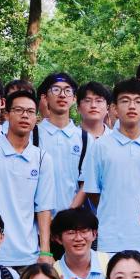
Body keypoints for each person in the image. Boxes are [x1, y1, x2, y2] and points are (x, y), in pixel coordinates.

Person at [81, 79, 140, 254]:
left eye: (138, 101)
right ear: (114, 109)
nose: (132, 106)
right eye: (125, 101)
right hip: (110, 238)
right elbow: (93, 192)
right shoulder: (99, 147)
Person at [0, 89, 56, 269]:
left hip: (29, 255)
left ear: (36, 118)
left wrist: (45, 251)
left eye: (30, 112)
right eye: (18, 110)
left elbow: (43, 208)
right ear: (6, 114)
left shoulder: (42, 158)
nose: (25, 116)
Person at [35, 72, 88, 213]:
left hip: (72, 219)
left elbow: (86, 181)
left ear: (74, 98)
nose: (62, 95)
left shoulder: (85, 138)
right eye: (56, 89)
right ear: (45, 97)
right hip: (36, 219)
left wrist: (68, 215)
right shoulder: (32, 135)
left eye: (67, 91)